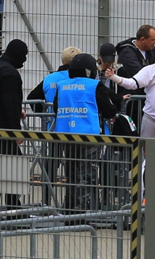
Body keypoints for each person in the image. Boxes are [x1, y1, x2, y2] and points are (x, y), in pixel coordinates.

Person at [54, 53, 126, 212]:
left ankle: (70, 208)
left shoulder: (62, 85)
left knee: (71, 173)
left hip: (66, 135)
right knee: (87, 174)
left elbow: (55, 108)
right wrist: (117, 106)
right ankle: (84, 210)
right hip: (89, 135)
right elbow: (108, 110)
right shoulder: (94, 85)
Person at [26, 45, 81, 205]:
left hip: (52, 128)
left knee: (51, 164)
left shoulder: (49, 78)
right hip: (72, 127)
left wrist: (45, 115)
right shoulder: (75, 79)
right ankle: (70, 203)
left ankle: (45, 200)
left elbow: (32, 97)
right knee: (73, 166)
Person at [0, 39, 29, 209]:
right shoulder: (10, 73)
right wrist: (15, 131)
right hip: (4, 131)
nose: (24, 60)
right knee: (14, 167)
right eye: (24, 56)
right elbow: (10, 103)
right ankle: (12, 209)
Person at [107, 39, 155, 138]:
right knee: (146, 152)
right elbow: (132, 84)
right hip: (150, 119)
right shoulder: (149, 70)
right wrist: (113, 77)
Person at [116, 25, 155, 125]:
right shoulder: (127, 53)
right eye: (153, 39)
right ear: (143, 39)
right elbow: (140, 76)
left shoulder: (153, 51)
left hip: (147, 100)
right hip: (133, 100)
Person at [27, 46, 82, 114]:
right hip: (72, 121)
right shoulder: (77, 78)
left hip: (52, 123)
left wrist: (44, 115)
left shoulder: (48, 79)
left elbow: (32, 97)